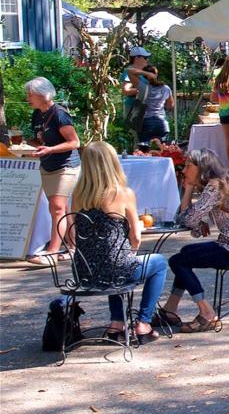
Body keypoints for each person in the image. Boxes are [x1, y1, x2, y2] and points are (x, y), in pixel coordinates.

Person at [66, 141, 169, 343]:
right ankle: (143, 322)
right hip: (115, 268)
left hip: (83, 271)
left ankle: (117, 323)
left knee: (112, 263)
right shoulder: (123, 194)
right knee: (159, 263)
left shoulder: (78, 194)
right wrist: (131, 248)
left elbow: (73, 233)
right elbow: (136, 237)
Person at [159, 149, 229, 333]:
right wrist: (197, 221)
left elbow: (187, 219)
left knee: (177, 261)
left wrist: (188, 190)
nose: (184, 171)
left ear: (202, 167)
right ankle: (169, 309)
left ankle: (206, 313)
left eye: (189, 166)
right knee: (184, 255)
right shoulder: (225, 181)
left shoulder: (214, 186)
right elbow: (193, 223)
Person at [25, 77, 81, 256]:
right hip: (48, 165)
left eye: (30, 94)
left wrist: (50, 149)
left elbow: (74, 142)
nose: (28, 98)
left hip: (66, 166)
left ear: (42, 95)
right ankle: (72, 247)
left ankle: (53, 251)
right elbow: (41, 140)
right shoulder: (37, 114)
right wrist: (27, 143)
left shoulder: (59, 114)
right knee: (63, 207)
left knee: (56, 208)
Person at [138, 66, 174, 143]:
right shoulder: (165, 88)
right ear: (156, 75)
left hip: (146, 122)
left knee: (145, 152)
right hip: (162, 123)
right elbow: (170, 106)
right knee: (162, 151)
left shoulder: (143, 88)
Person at [121, 46, 151, 131]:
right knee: (138, 137)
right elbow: (126, 90)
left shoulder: (144, 71)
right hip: (134, 108)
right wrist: (143, 91)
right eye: (145, 57)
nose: (147, 60)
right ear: (137, 58)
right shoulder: (129, 71)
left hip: (145, 107)